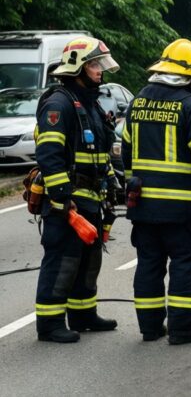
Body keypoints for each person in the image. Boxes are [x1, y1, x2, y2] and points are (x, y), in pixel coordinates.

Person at [123, 39, 191, 345]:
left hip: (143, 207)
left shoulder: (137, 103)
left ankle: (150, 328)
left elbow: (126, 154)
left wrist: (135, 187)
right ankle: (181, 329)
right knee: (185, 264)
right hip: (180, 210)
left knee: (149, 264)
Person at [33, 37, 120, 343]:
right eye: (95, 64)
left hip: (91, 198)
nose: (100, 71)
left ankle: (83, 314)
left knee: (88, 258)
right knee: (63, 260)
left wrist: (111, 182)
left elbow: (98, 151)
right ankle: (50, 322)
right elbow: (49, 154)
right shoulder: (59, 103)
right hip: (68, 200)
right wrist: (60, 197)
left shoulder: (89, 102)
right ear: (79, 67)